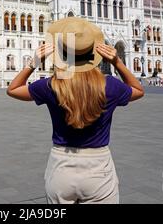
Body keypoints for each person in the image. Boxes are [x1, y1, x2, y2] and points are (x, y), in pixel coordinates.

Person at [7, 18, 144, 204]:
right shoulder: (110, 86)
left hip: (61, 167)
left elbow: (13, 89)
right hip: (99, 169)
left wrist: (34, 62)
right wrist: (117, 62)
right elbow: (138, 90)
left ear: (62, 55)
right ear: (94, 53)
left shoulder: (51, 86)